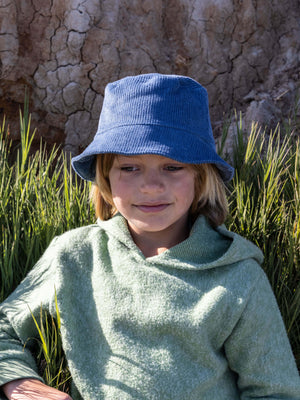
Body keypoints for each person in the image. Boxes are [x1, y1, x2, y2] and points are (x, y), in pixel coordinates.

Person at [0, 73, 299, 400]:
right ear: (106, 177)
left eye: (172, 167)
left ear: (200, 177)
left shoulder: (237, 275)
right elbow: (5, 328)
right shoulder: (75, 255)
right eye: (129, 168)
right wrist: (21, 385)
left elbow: (275, 390)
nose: (151, 186)